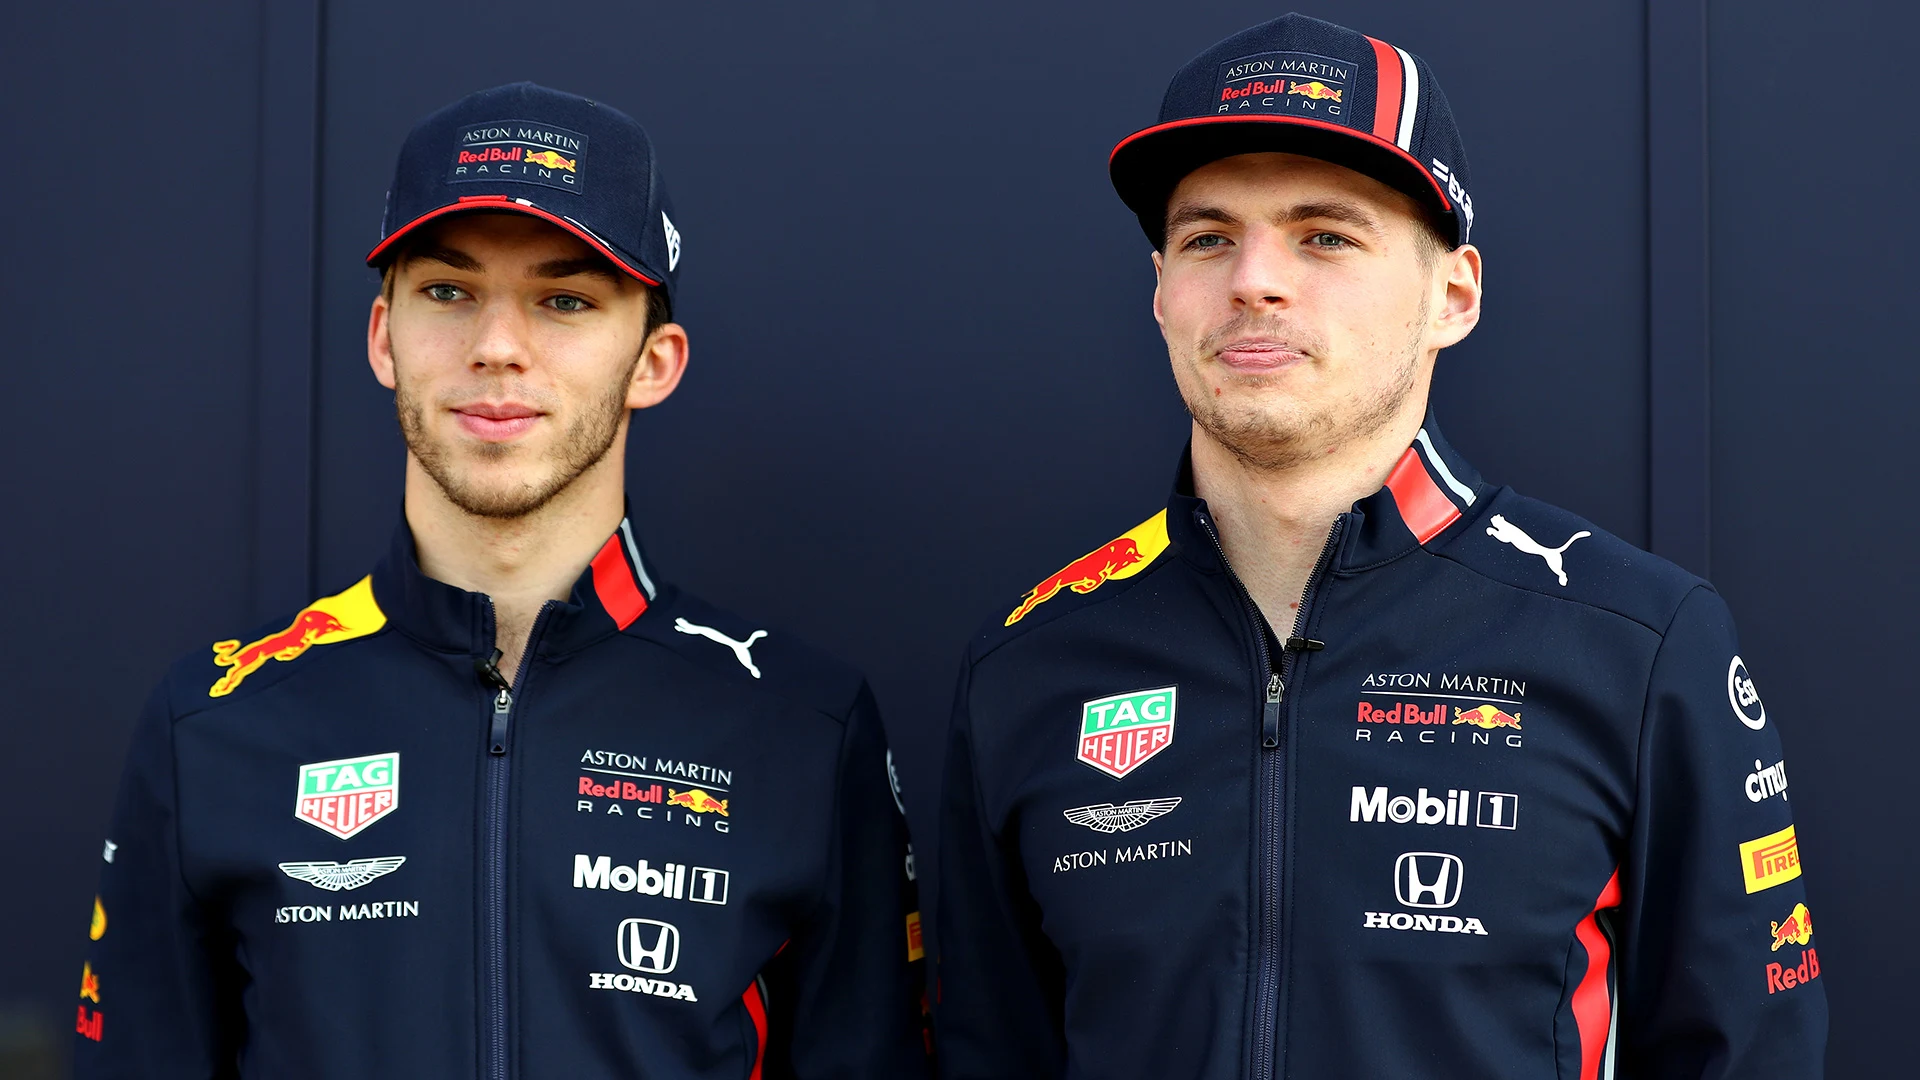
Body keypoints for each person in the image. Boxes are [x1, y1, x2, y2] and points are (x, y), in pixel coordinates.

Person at [933, 13, 1825, 1079]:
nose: (1256, 280)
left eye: (1326, 235)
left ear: (1453, 295)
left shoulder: (1633, 642)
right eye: (1209, 237)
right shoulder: (1030, 664)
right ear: (1161, 293)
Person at [75, 82, 928, 1079]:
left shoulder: (799, 726)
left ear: (654, 362)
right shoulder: (215, 720)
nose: (496, 348)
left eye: (564, 301)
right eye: (447, 291)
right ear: (383, 336)